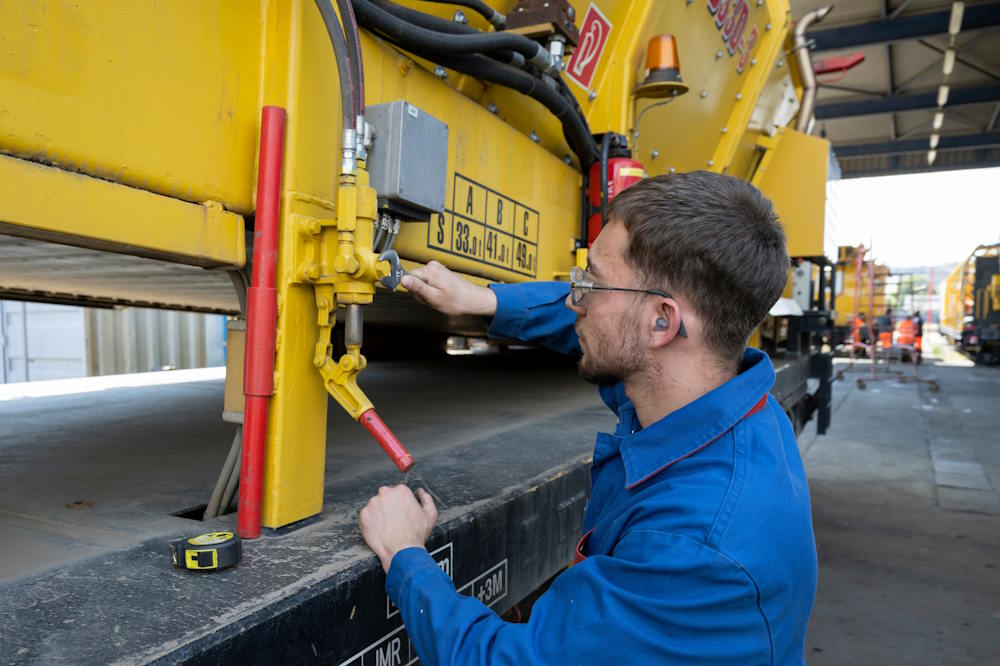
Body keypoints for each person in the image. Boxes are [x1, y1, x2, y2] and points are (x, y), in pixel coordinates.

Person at [359, 172, 818, 664]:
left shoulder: (690, 548)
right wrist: (484, 301)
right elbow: (612, 322)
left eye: (590, 284)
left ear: (662, 321)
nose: (574, 301)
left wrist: (404, 554)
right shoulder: (722, 402)